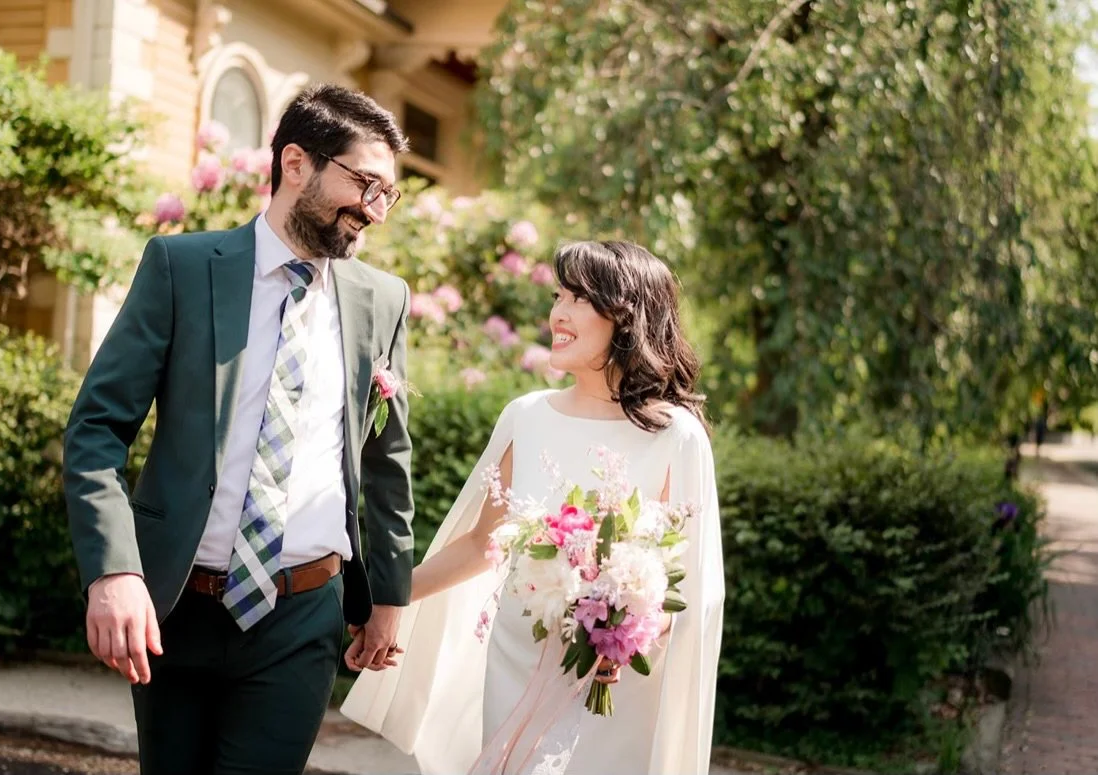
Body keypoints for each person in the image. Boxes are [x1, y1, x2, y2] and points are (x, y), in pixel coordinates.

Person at [63, 84, 416, 775]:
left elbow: (386, 460)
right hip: (176, 607)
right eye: (364, 183)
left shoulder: (383, 298)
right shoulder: (182, 268)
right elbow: (97, 430)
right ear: (294, 163)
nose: (374, 210)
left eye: (388, 194)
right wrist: (113, 571)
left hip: (302, 615)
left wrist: (391, 599)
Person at [342, 240, 726, 774]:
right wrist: (384, 600)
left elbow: (693, 583)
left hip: (616, 678)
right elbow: (483, 544)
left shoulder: (675, 436)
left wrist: (622, 631)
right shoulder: (526, 416)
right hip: (516, 658)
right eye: (558, 296)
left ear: (626, 316)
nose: (557, 314)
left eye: (578, 299)